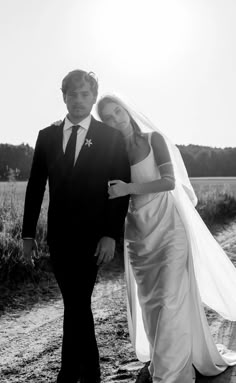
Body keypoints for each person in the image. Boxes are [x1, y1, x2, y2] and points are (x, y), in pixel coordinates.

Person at [97, 94, 236, 383]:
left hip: (170, 228)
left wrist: (128, 188)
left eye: (117, 112)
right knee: (151, 304)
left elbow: (169, 182)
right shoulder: (112, 154)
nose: (115, 119)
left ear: (126, 110)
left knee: (171, 298)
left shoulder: (153, 139)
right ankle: (163, 359)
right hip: (138, 234)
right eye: (107, 118)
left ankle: (170, 375)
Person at [22, 71, 130, 383]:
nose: (79, 100)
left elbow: (117, 187)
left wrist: (111, 233)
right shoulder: (47, 136)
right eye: (73, 94)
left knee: (78, 300)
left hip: (94, 238)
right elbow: (34, 187)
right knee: (76, 303)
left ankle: (73, 374)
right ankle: (85, 372)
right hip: (58, 237)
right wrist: (28, 235)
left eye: (85, 94)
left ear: (93, 97)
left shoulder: (110, 137)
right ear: (64, 97)